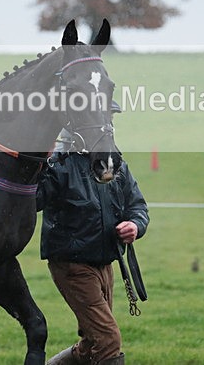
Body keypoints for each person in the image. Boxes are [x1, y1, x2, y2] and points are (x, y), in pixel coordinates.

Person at [37, 115, 149, 365]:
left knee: (92, 342)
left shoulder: (114, 163)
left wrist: (135, 226)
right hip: (72, 266)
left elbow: (137, 206)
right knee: (108, 339)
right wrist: (40, 161)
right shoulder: (58, 166)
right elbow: (31, 201)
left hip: (105, 264)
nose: (105, 125)